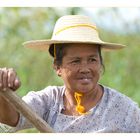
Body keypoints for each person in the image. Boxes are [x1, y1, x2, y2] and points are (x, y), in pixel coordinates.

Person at [0, 15, 140, 133]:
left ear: (100, 63)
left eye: (92, 60)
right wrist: (4, 89)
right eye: (75, 61)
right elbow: (12, 119)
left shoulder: (125, 110)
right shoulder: (49, 101)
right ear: (57, 67)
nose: (85, 68)